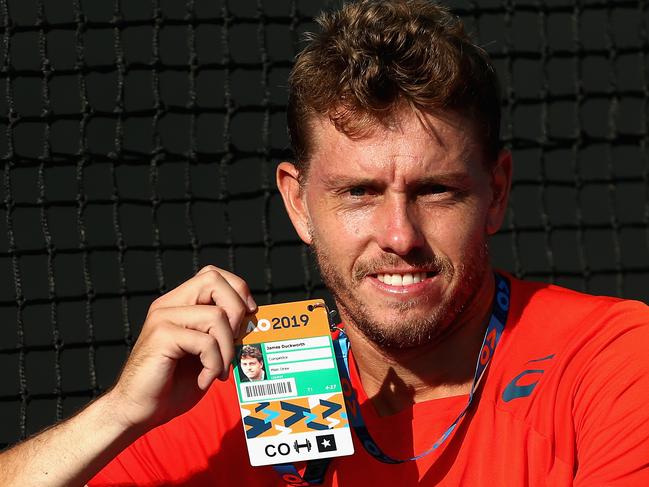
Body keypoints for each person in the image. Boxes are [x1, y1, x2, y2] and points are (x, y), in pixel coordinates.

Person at [1, 0, 649, 485]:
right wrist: (119, 414)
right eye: (359, 192)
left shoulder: (609, 360)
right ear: (297, 201)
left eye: (436, 191)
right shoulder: (260, 385)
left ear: (497, 191)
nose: (399, 236)